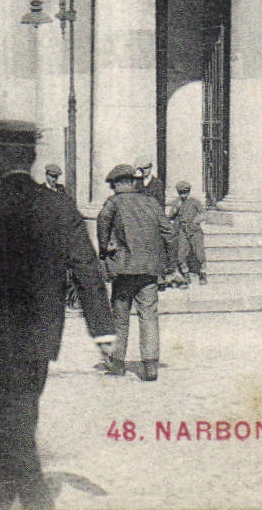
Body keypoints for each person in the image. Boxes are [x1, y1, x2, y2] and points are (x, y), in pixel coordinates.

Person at [0, 120, 115, 510]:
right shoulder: (56, 205)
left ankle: (26, 503)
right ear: (32, 158)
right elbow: (87, 268)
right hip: (40, 333)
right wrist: (103, 333)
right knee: (19, 417)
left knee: (13, 419)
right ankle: (16, 503)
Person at [95, 163, 171, 381]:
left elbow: (102, 227)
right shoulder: (152, 203)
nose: (113, 188)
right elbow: (169, 232)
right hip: (149, 271)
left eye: (114, 185)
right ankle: (150, 365)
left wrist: (105, 252)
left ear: (119, 184)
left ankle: (117, 362)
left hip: (124, 270)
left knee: (120, 317)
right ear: (133, 182)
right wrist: (168, 263)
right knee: (149, 316)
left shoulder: (113, 203)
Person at [165, 180, 207, 286]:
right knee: (181, 254)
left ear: (189, 191)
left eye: (185, 192)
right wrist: (176, 209)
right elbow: (170, 216)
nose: (183, 195)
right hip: (182, 230)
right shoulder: (177, 202)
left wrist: (196, 221)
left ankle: (203, 273)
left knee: (199, 254)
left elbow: (203, 214)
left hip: (195, 230)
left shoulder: (195, 201)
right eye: (181, 192)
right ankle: (185, 273)